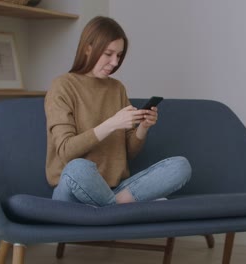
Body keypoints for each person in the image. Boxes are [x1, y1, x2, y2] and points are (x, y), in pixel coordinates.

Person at [44, 16, 191, 207]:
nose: (114, 62)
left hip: (116, 188)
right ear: (88, 48)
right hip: (74, 190)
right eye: (108, 53)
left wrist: (143, 128)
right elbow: (65, 151)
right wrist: (112, 123)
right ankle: (121, 207)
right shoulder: (62, 86)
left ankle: (110, 206)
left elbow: (127, 154)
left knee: (180, 166)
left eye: (119, 55)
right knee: (78, 168)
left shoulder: (117, 88)